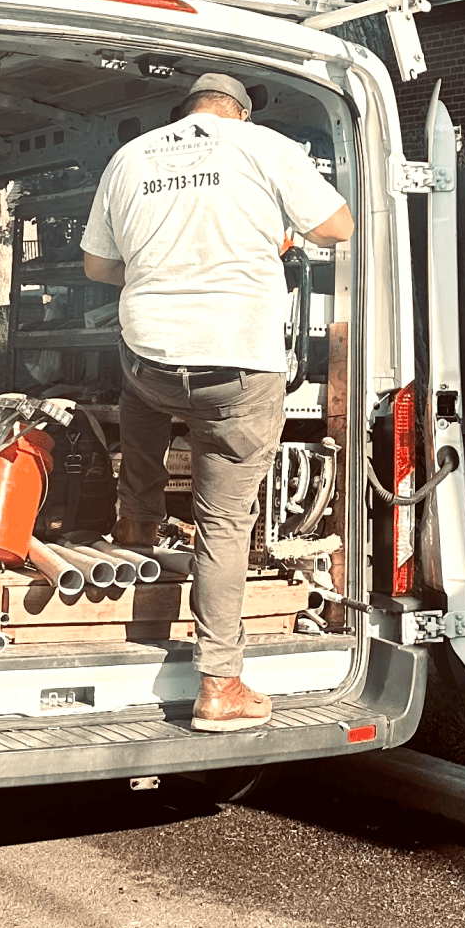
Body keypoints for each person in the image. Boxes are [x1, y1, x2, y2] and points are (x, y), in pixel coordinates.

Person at [81, 72, 353, 732]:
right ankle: (220, 681)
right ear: (237, 110)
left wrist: (152, 266)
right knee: (223, 521)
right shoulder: (264, 145)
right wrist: (281, 236)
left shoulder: (131, 156)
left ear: (187, 112)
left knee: (137, 391)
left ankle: (138, 517)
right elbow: (338, 226)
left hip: (153, 360)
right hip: (238, 363)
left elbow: (96, 267)